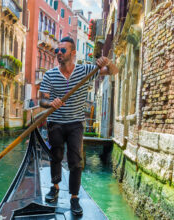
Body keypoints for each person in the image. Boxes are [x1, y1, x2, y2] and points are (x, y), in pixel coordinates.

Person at [39, 36, 118, 216]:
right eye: (57, 50)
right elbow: (42, 99)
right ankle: (55, 187)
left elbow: (114, 71)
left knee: (76, 162)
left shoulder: (86, 71)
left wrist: (107, 61)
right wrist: (50, 103)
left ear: (73, 53)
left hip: (75, 124)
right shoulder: (50, 75)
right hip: (55, 122)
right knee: (56, 157)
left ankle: (74, 198)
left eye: (63, 50)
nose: (59, 53)